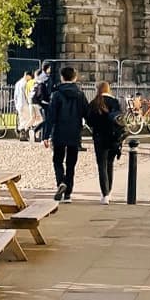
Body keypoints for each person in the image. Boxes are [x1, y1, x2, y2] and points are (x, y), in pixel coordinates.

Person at [43, 65, 88, 200]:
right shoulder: (80, 94)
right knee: (71, 163)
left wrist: (46, 135)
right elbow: (87, 113)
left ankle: (61, 182)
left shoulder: (56, 94)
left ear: (62, 78)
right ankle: (68, 193)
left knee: (57, 160)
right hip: (74, 132)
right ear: (75, 78)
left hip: (59, 132)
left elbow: (50, 116)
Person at [85, 80, 124, 204]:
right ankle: (109, 191)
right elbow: (119, 120)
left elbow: (89, 121)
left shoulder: (94, 103)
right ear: (108, 89)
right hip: (113, 138)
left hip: (99, 137)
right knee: (110, 164)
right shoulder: (115, 102)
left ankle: (105, 194)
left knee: (102, 166)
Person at [32, 60, 55, 144]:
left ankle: (42, 138)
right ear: (47, 68)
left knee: (46, 119)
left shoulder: (39, 77)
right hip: (45, 101)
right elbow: (49, 90)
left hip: (38, 100)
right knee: (47, 120)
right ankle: (35, 130)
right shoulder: (47, 78)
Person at [13, 70, 35, 139]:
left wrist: (16, 104)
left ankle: (22, 135)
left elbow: (15, 95)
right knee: (28, 119)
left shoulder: (18, 83)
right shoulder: (26, 84)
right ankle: (24, 134)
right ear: (27, 76)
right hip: (25, 103)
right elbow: (27, 94)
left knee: (22, 119)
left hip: (19, 104)